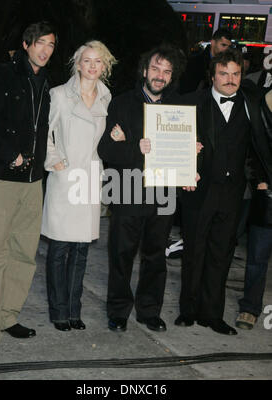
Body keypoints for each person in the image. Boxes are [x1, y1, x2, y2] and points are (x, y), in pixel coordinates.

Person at [0, 21, 57, 360]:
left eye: (51, 45)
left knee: (23, 254)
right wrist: (10, 154)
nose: (45, 50)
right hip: (2, 181)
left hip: (33, 183)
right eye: (40, 43)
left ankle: (8, 317)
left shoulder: (46, 84)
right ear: (26, 44)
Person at [175, 49, 272, 335]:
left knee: (221, 253)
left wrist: (260, 180)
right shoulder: (193, 103)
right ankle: (188, 310)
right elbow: (172, 136)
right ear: (212, 75)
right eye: (223, 74)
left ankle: (212, 314)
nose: (230, 80)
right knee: (194, 251)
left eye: (235, 74)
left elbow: (258, 145)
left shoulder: (251, 103)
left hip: (233, 195)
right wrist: (184, 160)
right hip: (198, 188)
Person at [97, 45, 185, 333]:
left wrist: (190, 151)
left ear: (172, 77)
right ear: (145, 71)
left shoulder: (179, 109)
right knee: (121, 254)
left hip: (163, 194)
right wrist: (136, 148)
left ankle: (149, 311)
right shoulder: (122, 104)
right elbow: (107, 149)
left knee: (155, 256)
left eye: (167, 72)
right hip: (128, 190)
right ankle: (119, 311)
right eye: (156, 69)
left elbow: (183, 152)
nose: (160, 76)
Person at [41, 41, 117, 332]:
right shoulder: (59, 95)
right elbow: (43, 132)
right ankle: (59, 310)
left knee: (81, 250)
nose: (93, 66)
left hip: (89, 178)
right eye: (87, 61)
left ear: (105, 66)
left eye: (98, 61)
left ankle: (75, 310)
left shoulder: (107, 99)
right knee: (60, 248)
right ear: (78, 64)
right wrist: (54, 159)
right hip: (64, 177)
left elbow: (107, 140)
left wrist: (118, 137)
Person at [236, 89, 272, 330]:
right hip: (266, 191)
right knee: (257, 254)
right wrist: (259, 179)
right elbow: (247, 149)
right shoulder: (257, 102)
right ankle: (250, 307)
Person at [178, 28, 232, 94]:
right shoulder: (195, 62)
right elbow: (186, 90)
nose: (226, 49)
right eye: (223, 45)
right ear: (213, 42)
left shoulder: (228, 64)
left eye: (228, 46)